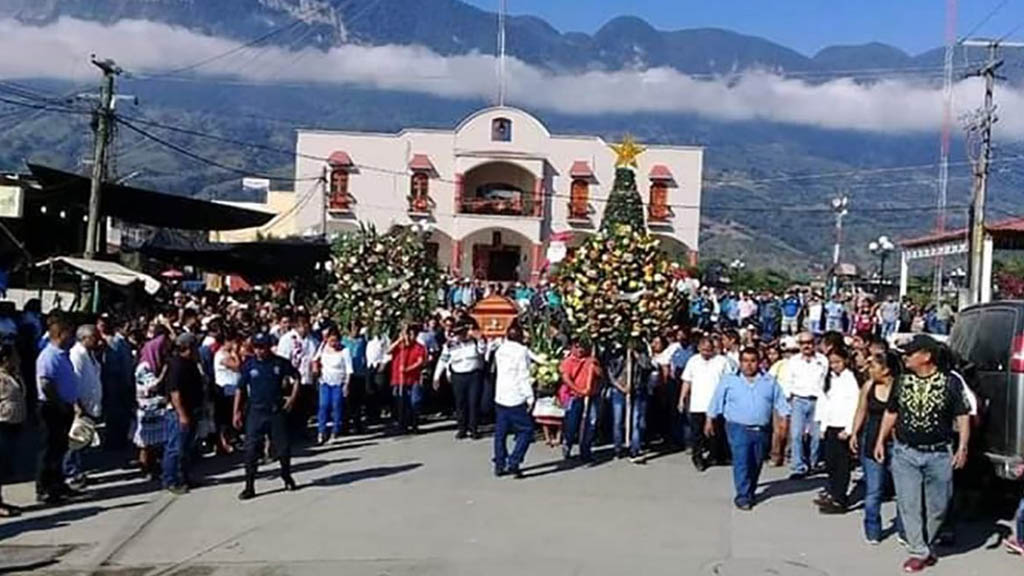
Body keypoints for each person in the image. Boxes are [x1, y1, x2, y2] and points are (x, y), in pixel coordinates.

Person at [874, 335, 970, 573]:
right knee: (909, 503)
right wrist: (880, 440)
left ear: (926, 356)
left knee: (938, 505)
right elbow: (891, 412)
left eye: (911, 353)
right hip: (906, 452)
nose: (905, 357)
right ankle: (918, 550)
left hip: (938, 453)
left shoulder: (950, 383)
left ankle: (926, 541)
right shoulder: (902, 381)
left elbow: (962, 415)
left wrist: (963, 447)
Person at [706, 347, 790, 510]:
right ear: (740, 362)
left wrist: (784, 419)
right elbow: (716, 400)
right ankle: (743, 496)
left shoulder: (769, 381)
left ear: (759, 362)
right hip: (737, 427)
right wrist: (710, 419)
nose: (749, 365)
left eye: (752, 361)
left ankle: (750, 489)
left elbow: (780, 402)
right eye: (745, 361)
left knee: (756, 462)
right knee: (742, 461)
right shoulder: (729, 380)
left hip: (761, 429)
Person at [235, 332, 300, 501]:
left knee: (283, 449)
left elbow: (296, 377)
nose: (259, 351)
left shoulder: (279, 363)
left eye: (262, 347)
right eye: (256, 347)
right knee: (250, 451)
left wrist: (292, 398)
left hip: (275, 411)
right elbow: (240, 389)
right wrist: (236, 411)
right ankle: (249, 486)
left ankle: (286, 476)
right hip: (256, 412)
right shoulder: (249, 366)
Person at [850, 350, 903, 545]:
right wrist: (854, 432)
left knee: (903, 490)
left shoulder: (901, 387)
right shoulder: (868, 386)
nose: (868, 369)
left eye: (873, 366)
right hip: (871, 442)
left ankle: (905, 530)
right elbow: (861, 411)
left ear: (886, 369)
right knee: (874, 490)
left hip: (897, 444)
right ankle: (872, 529)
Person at [35, 314, 79, 504]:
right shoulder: (49, 356)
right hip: (52, 408)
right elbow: (46, 384)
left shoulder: (63, 354)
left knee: (61, 447)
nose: (72, 338)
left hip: (64, 406)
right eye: (70, 334)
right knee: (50, 449)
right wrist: (60, 404)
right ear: (60, 334)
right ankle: (45, 487)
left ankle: (58, 484)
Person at [815, 348, 860, 514]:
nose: (834, 366)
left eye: (837, 362)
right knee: (831, 462)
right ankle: (833, 492)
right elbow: (825, 403)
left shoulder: (849, 379)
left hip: (843, 427)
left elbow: (855, 404)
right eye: (832, 363)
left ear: (845, 361)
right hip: (831, 425)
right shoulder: (830, 379)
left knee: (842, 465)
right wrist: (822, 426)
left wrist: (849, 429)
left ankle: (840, 498)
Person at [679, 336, 732, 471]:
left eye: (709, 350)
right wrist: (682, 398)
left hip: (716, 404)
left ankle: (715, 456)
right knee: (697, 434)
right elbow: (687, 381)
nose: (706, 353)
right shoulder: (693, 361)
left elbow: (729, 382)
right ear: (698, 348)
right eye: (703, 350)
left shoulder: (722, 361)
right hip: (697, 404)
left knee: (715, 433)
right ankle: (697, 458)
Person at [491, 323, 536, 478]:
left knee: (501, 432)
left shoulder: (501, 349)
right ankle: (514, 461)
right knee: (526, 430)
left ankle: (499, 463)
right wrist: (530, 397)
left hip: (501, 394)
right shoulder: (521, 351)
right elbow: (523, 375)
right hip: (516, 396)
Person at [163, 333, 204, 495]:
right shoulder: (177, 365)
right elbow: (175, 392)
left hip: (192, 409)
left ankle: (184, 477)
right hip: (179, 412)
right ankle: (170, 480)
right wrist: (182, 414)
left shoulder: (190, 363)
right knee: (175, 448)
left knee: (186, 448)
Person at [783, 331, 828, 478]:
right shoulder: (793, 361)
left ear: (814, 343)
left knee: (816, 436)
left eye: (809, 342)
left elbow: (826, 380)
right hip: (799, 400)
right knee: (796, 434)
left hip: (817, 400)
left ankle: (813, 463)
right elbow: (787, 382)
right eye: (803, 343)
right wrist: (788, 399)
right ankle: (798, 467)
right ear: (799, 345)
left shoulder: (822, 360)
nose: (807, 346)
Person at [433, 319, 485, 440]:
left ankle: (474, 429)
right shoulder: (450, 345)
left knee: (473, 402)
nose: (461, 335)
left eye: (463, 332)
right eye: (458, 333)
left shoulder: (474, 342)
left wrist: (480, 339)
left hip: (474, 374)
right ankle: (462, 428)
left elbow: (482, 352)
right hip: (458, 375)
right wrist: (436, 377)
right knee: (460, 403)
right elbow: (443, 360)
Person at [65, 324, 103, 488]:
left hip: (91, 403)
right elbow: (74, 381)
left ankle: (78, 471)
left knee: (84, 440)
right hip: (81, 405)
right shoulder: (77, 354)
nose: (98, 340)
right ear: (84, 338)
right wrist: (77, 405)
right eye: (94, 337)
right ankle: (70, 473)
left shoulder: (90, 354)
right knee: (75, 439)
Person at [134, 327, 171, 480]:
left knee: (157, 441)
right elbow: (152, 386)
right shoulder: (144, 367)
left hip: (158, 407)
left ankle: (155, 466)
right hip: (146, 408)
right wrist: (164, 373)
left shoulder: (158, 363)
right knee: (146, 443)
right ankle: (145, 468)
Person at [560, 340, 601, 463]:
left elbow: (601, 375)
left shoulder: (591, 360)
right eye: (577, 347)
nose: (580, 350)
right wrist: (580, 390)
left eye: (582, 347)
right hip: (574, 396)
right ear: (572, 348)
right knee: (572, 424)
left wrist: (595, 367)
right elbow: (566, 379)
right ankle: (567, 444)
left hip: (591, 396)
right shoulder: (568, 362)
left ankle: (585, 451)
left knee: (590, 424)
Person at [98, 315, 134, 451]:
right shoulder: (110, 342)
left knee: (117, 412)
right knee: (113, 413)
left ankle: (116, 439)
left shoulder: (118, 342)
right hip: (110, 381)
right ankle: (113, 439)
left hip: (117, 380)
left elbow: (125, 364)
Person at [0, 343, 26, 517]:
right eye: (14, 356)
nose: (18, 359)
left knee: (5, 467)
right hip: (1, 424)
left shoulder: (14, 374)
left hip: (14, 424)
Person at [314, 327, 351, 444]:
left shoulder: (345, 351)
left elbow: (349, 370)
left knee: (336, 405)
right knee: (323, 405)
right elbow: (315, 359)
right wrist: (316, 370)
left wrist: (346, 385)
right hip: (325, 381)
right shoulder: (322, 347)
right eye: (331, 341)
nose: (333, 343)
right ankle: (321, 431)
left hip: (338, 382)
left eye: (335, 341)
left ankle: (335, 431)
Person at [389, 324, 427, 434]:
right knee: (401, 402)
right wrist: (399, 340)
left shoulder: (419, 347)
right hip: (399, 378)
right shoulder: (400, 347)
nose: (410, 337)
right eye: (408, 334)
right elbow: (388, 351)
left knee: (415, 401)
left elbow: (420, 362)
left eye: (412, 335)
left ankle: (414, 424)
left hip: (413, 378)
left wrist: (408, 369)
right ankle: (402, 424)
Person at [213, 331, 242, 454]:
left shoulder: (227, 354)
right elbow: (237, 366)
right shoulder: (221, 355)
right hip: (225, 389)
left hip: (233, 387)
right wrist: (235, 354)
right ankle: (223, 443)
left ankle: (232, 439)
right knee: (225, 418)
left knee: (231, 416)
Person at [341, 322, 368, 434]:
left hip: (359, 373)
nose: (355, 330)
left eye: (357, 328)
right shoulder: (343, 341)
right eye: (353, 328)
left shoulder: (362, 341)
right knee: (347, 401)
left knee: (358, 401)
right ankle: (345, 426)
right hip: (347, 374)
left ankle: (358, 425)